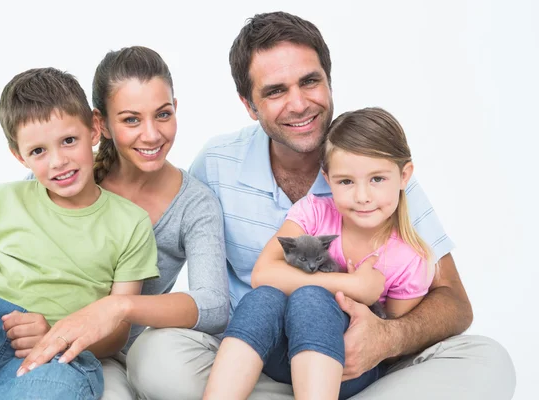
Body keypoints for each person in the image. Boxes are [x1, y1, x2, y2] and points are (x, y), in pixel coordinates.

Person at [127, 11, 516, 400]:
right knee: (152, 356)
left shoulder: (373, 166)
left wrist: (387, 338)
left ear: (329, 81)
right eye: (276, 91)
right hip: (255, 360)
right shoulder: (216, 162)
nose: (299, 104)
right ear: (249, 104)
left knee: (488, 361)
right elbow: (168, 248)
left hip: (357, 360)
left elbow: (455, 302)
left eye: (310, 81)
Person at [0, 46, 229, 399]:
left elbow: (213, 305)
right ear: (100, 124)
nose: (151, 135)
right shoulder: (49, 177)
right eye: (131, 119)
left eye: (162, 114)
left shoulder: (165, 213)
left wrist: (114, 308)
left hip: (79, 349)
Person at [203, 107, 436, 399]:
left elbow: (394, 344)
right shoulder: (313, 211)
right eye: (346, 181)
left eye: (377, 179)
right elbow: (263, 274)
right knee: (264, 297)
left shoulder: (410, 259)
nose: (362, 196)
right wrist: (353, 286)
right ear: (327, 178)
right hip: (282, 355)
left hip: (347, 366)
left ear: (404, 176)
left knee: (311, 297)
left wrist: (366, 314)